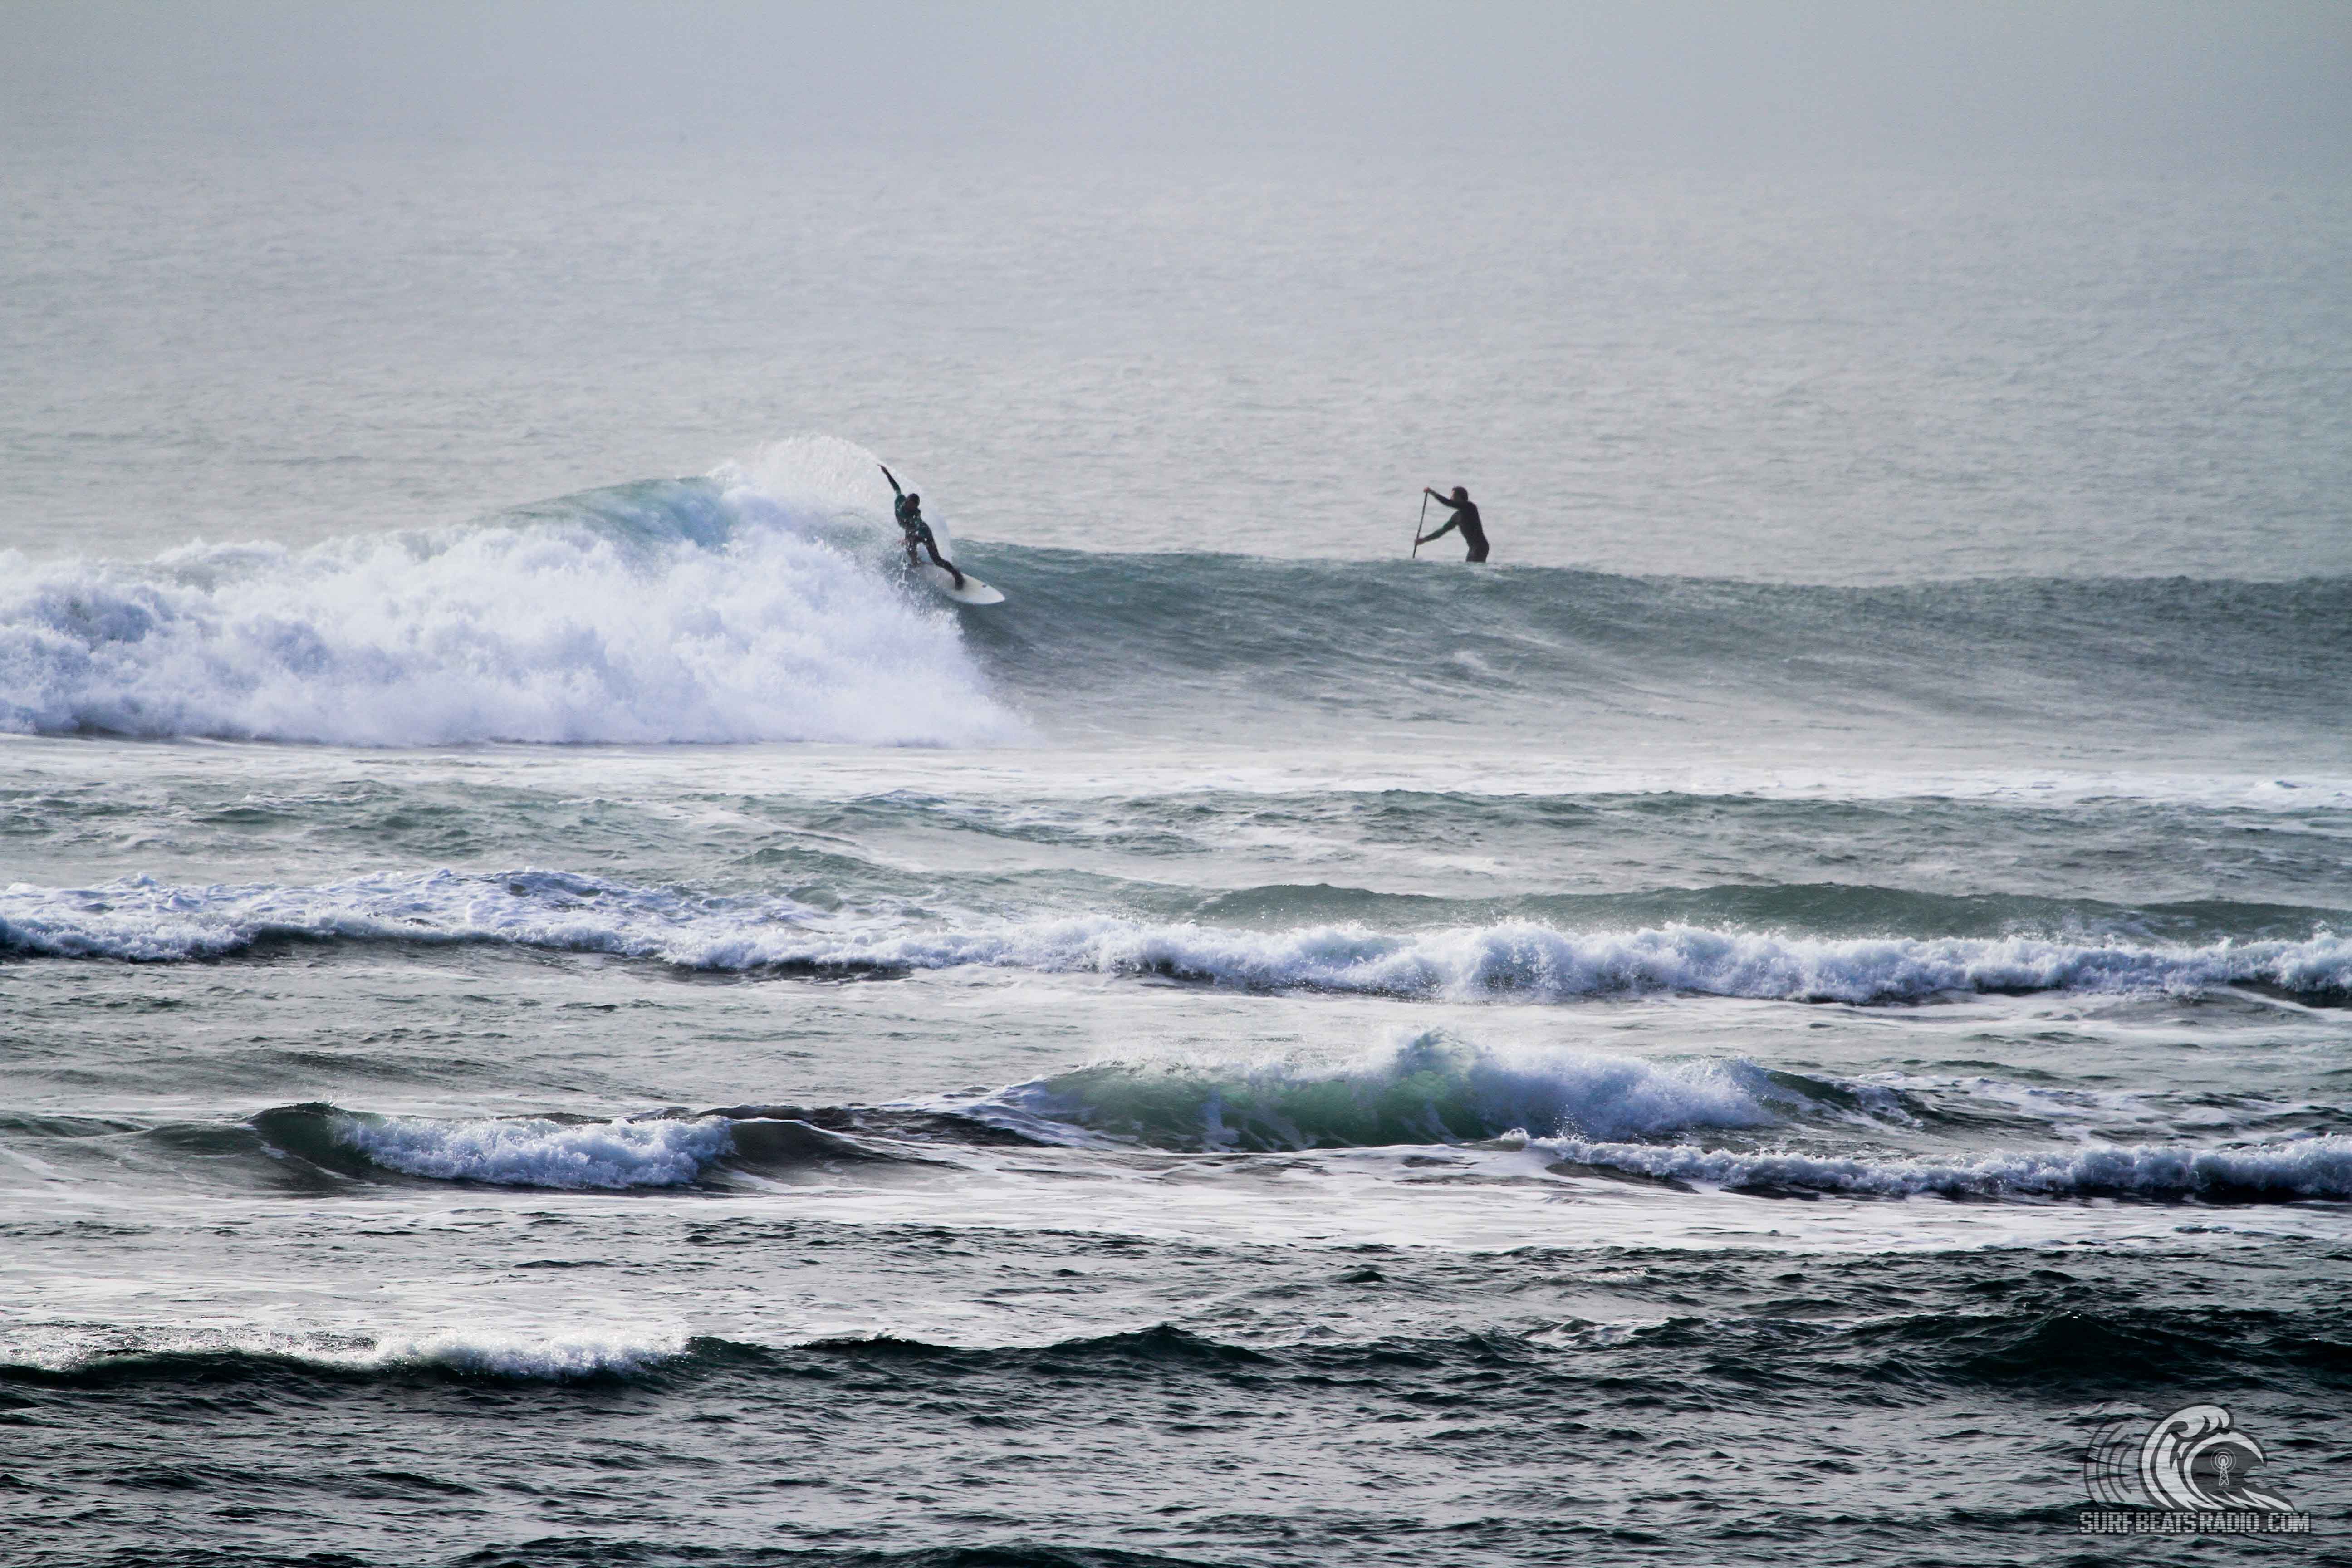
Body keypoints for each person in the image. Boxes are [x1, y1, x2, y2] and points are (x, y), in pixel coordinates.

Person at [878, 464, 965, 588]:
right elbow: (897, 488)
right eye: (910, 504)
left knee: (937, 560)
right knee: (910, 551)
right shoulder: (900, 501)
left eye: (914, 506)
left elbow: (917, 526)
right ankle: (916, 563)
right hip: (911, 532)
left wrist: (907, 539)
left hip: (924, 533)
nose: (911, 507)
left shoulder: (916, 514)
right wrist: (887, 474)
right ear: (907, 501)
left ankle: (957, 575)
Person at [1417, 485, 1489, 563]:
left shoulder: (1470, 507)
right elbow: (1442, 531)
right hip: (1473, 548)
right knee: (1469, 567)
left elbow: (1448, 503)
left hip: (1481, 547)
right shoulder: (1456, 517)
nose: (1451, 499)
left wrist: (1432, 493)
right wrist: (1424, 539)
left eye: (1453, 497)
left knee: (1474, 567)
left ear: (1460, 498)